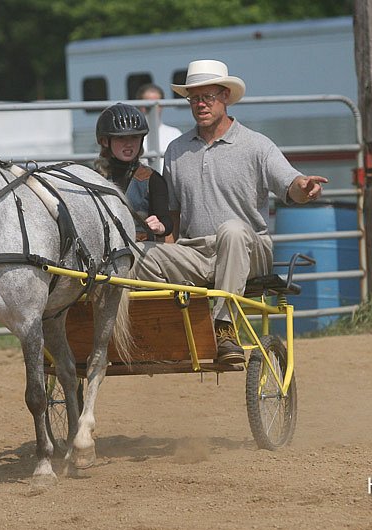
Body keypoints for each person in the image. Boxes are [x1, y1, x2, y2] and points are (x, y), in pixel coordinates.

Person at [133, 60, 328, 370]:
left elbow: (290, 183)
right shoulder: (176, 150)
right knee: (138, 255)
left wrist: (303, 187)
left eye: (207, 97)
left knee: (233, 230)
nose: (200, 104)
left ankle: (224, 329)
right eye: (193, 98)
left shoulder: (256, 145)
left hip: (249, 250)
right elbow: (172, 213)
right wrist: (166, 249)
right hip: (196, 252)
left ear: (224, 96)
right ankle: (151, 332)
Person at [94, 102, 173, 242]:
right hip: (104, 252)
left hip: (141, 250)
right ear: (105, 141)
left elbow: (167, 221)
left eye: (134, 137)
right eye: (121, 137)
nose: (129, 143)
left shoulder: (153, 179)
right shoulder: (93, 179)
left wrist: (160, 226)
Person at [135, 83, 182, 171]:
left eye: (157, 104)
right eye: (147, 104)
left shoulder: (175, 134)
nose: (152, 108)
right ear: (139, 105)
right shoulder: (132, 136)